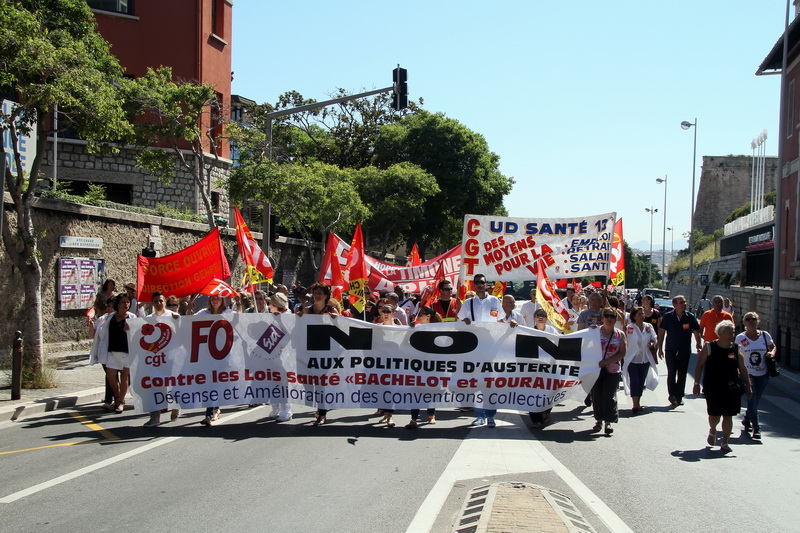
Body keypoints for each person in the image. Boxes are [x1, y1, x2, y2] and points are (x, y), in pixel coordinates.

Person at [692, 320, 751, 453]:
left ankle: (725, 442)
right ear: (721, 333)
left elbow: (743, 368)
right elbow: (700, 365)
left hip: (731, 388)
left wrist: (748, 385)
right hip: (713, 386)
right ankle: (713, 429)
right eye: (729, 332)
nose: (732, 335)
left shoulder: (737, 349)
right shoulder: (709, 347)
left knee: (728, 415)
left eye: (733, 332)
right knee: (715, 415)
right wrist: (696, 383)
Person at [458, 273, 504, 427]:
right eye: (476, 282)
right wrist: (464, 321)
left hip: (491, 347)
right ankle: (480, 415)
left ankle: (490, 416)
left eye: (481, 282)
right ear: (474, 285)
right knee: (476, 382)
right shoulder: (468, 303)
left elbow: (500, 320)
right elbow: (459, 321)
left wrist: (510, 325)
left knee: (489, 383)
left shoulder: (494, 301)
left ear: (486, 284)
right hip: (474, 347)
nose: (479, 284)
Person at [296, 283, 338, 426]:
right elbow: (297, 325)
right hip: (309, 351)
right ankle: (320, 406)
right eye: (315, 293)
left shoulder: (331, 310)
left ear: (326, 296)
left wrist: (336, 320)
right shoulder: (307, 310)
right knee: (308, 382)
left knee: (321, 383)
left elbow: (340, 329)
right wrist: (296, 317)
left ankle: (322, 412)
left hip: (326, 352)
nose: (317, 295)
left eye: (320, 293)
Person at [89, 294, 136, 414]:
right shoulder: (110, 317)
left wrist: (129, 330)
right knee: (111, 376)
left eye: (128, 302)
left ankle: (120, 402)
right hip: (112, 351)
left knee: (124, 377)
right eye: (123, 302)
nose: (126, 304)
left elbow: (138, 334)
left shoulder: (132, 317)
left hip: (126, 351)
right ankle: (118, 397)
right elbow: (101, 332)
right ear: (118, 304)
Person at [195, 295, 235, 426]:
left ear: (223, 300)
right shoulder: (203, 313)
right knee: (210, 383)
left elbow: (241, 322)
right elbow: (188, 322)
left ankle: (209, 413)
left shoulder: (229, 313)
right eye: (212, 298)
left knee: (215, 383)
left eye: (218, 298)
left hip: (223, 354)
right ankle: (215, 408)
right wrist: (184, 312)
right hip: (206, 354)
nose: (215, 300)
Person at [736, 312, 776, 440]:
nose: (751, 321)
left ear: (757, 321)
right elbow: (735, 354)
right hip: (748, 374)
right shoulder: (740, 338)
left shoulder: (764, 335)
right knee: (752, 399)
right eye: (748, 319)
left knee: (755, 400)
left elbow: (773, 347)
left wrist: (771, 353)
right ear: (744, 322)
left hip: (763, 373)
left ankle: (747, 418)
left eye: (753, 319)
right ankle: (756, 427)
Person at [143, 291, 181, 427]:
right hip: (155, 359)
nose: (159, 303)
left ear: (165, 302)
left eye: (161, 301)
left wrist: (178, 322)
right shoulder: (148, 319)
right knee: (154, 386)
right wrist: (129, 328)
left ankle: (176, 405)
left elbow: (183, 333)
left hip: (171, 357)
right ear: (152, 303)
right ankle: (155, 417)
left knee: (173, 384)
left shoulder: (174, 316)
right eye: (156, 301)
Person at [657, 294, 702, 407]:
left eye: (684, 302)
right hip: (670, 349)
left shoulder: (690, 317)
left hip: (684, 350)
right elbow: (661, 332)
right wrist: (660, 348)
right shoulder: (668, 317)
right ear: (675, 305)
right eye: (681, 302)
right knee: (672, 373)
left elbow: (696, 332)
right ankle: (672, 395)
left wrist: (698, 344)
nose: (684, 304)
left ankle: (679, 396)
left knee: (682, 374)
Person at [590, 307, 627, 435]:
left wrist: (606, 361)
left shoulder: (620, 334)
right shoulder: (595, 332)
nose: (609, 319)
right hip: (596, 369)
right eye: (607, 316)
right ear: (602, 318)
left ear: (616, 319)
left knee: (609, 396)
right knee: (597, 396)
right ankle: (598, 420)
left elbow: (622, 353)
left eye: (612, 316)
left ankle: (608, 422)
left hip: (612, 370)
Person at [404, 306, 441, 428]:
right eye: (418, 314)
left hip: (432, 366)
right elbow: (405, 343)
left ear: (428, 316)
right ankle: (413, 418)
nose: (418, 317)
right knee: (415, 391)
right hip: (417, 365)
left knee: (430, 390)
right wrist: (410, 330)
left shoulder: (436, 329)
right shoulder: (415, 328)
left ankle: (431, 414)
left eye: (421, 314)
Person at [529, 309, 560, 428]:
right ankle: (535, 419)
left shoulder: (552, 330)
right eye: (538, 315)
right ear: (534, 318)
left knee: (550, 390)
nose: (540, 317)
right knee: (533, 392)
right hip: (533, 367)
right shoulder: (529, 331)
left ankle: (546, 411)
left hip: (549, 367)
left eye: (543, 315)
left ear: (546, 318)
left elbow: (559, 342)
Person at [624, 306, 658, 414]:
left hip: (645, 359)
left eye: (642, 313)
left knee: (641, 382)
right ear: (634, 316)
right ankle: (635, 404)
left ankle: (638, 402)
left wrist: (652, 343)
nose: (642, 316)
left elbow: (654, 338)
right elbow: (624, 340)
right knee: (635, 381)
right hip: (632, 359)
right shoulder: (629, 328)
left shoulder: (648, 327)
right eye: (639, 314)